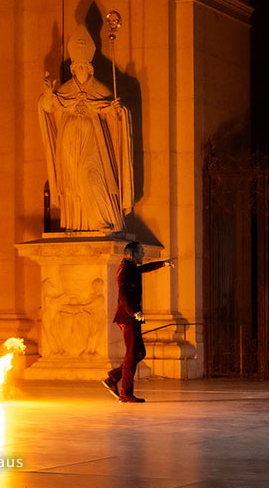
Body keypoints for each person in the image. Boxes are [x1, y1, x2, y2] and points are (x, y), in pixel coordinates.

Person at [39, 24, 134, 233]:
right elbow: (48, 107)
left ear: (90, 68)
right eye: (77, 67)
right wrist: (48, 94)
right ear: (72, 68)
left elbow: (113, 114)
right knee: (74, 184)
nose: (80, 70)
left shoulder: (100, 89)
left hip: (94, 146)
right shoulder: (65, 90)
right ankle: (77, 224)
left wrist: (117, 112)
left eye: (84, 67)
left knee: (93, 178)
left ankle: (104, 220)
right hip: (70, 146)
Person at [102, 241, 174, 403]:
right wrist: (135, 311)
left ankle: (113, 377)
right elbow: (122, 295)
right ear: (133, 253)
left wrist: (163, 264)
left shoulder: (131, 267)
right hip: (128, 318)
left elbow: (143, 269)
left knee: (139, 353)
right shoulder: (125, 269)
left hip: (131, 317)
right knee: (132, 354)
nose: (143, 253)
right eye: (141, 251)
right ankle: (125, 393)